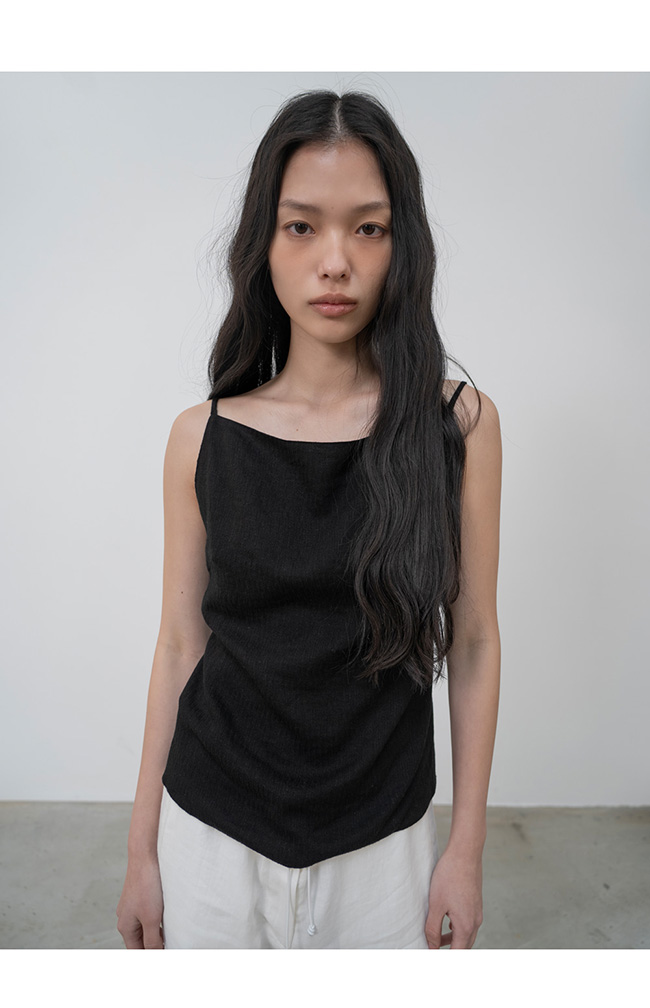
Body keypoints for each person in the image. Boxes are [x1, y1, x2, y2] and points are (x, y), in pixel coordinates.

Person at [116, 89, 501, 950]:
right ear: (264, 242)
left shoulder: (459, 426)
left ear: (403, 245)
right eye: (302, 227)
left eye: (368, 228)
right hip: (209, 833)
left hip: (385, 843)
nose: (335, 261)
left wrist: (467, 849)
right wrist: (142, 848)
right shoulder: (201, 437)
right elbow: (179, 645)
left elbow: (474, 640)